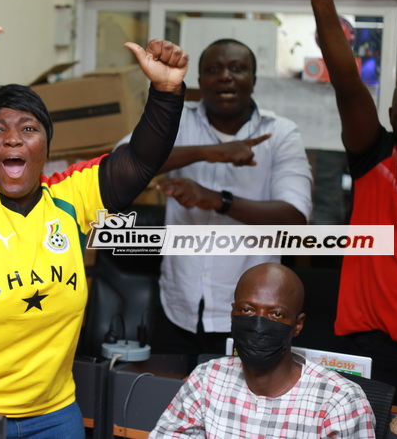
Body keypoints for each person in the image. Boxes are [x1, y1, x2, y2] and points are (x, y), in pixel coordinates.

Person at [0, 11, 188, 438]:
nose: (13, 138)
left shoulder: (71, 197)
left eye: (28, 128)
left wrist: (165, 90)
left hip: (49, 412)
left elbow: (141, 160)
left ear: (46, 144)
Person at [117, 38, 312, 358]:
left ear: (254, 80)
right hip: (176, 306)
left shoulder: (281, 133)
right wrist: (209, 153)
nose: (225, 76)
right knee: (166, 398)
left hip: (251, 318)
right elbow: (122, 162)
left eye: (237, 68)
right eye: (213, 69)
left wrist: (218, 200)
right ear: (199, 80)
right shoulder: (175, 121)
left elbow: (294, 219)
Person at [301, 0, 397, 407]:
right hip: (367, 347)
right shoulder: (375, 156)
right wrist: (322, 1)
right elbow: (348, 83)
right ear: (390, 115)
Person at [150, 262, 376, 438]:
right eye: (247, 310)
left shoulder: (339, 401)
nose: (258, 324)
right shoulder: (206, 380)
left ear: (298, 325)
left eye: (276, 314)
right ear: (232, 314)